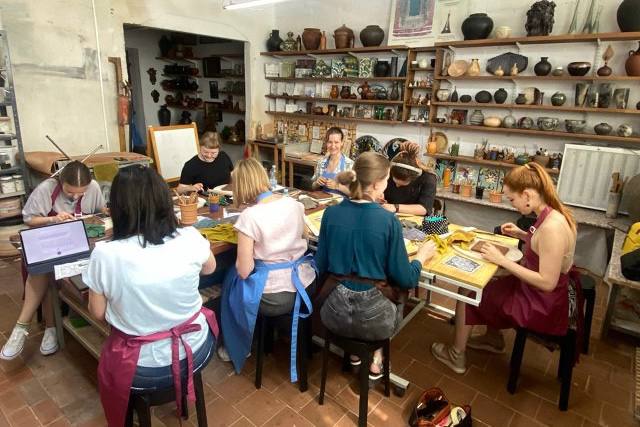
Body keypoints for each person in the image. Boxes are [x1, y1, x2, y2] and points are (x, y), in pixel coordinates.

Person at [82, 165, 218, 426]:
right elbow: (210, 268)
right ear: (164, 201)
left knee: (114, 347)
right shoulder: (189, 236)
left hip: (144, 365)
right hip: (197, 345)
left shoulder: (105, 254)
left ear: (117, 208)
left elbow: (97, 313)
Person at [431, 162, 579, 375]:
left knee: (468, 291)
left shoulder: (552, 228)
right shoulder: (553, 214)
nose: (513, 205)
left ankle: (456, 355)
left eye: (512, 199)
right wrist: (522, 235)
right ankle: (493, 339)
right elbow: (545, 250)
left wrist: (502, 260)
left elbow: (547, 282)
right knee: (493, 280)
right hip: (539, 293)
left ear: (527, 195)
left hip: (542, 302)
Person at [315, 152, 436, 379]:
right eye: (387, 179)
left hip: (334, 314)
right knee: (395, 288)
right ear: (376, 184)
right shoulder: (388, 221)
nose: (388, 184)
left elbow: (320, 265)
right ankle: (377, 359)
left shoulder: (331, 213)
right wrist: (421, 257)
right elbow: (407, 279)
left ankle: (354, 354)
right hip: (375, 321)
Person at [219, 158, 316, 382]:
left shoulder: (250, 216)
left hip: (276, 296)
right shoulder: (294, 203)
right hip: (305, 283)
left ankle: (237, 345)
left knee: (231, 280)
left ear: (241, 187)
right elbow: (304, 236)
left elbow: (245, 271)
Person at [1, 160, 105, 360]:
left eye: (81, 193)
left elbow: (100, 211)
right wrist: (53, 219)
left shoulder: (93, 187)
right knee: (45, 270)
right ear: (61, 182)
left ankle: (44, 327)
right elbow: (29, 219)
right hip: (52, 240)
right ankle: (41, 328)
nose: (76, 197)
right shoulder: (46, 188)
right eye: (70, 192)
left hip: (81, 241)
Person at [382, 141, 437, 216]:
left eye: (402, 184)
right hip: (389, 216)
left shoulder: (428, 178)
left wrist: (395, 207)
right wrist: (379, 197)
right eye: (395, 182)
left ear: (414, 177)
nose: (397, 186)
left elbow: (424, 208)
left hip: (415, 220)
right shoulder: (389, 172)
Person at [310, 127, 354, 195]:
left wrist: (337, 186)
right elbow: (313, 187)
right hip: (323, 200)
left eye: (336, 142)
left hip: (343, 201)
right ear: (326, 143)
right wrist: (317, 183)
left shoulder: (349, 164)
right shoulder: (321, 163)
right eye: (330, 142)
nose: (333, 146)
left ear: (342, 143)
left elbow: (354, 194)